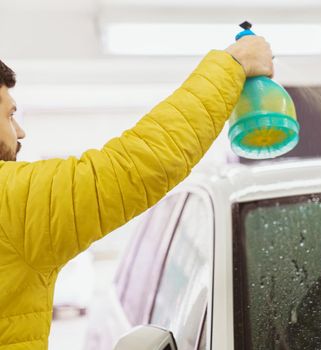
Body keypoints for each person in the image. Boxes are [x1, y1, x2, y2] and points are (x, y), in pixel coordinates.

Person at [0, 36, 273, 349]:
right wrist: (233, 65)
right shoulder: (11, 202)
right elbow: (139, 165)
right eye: (10, 115)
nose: (20, 131)